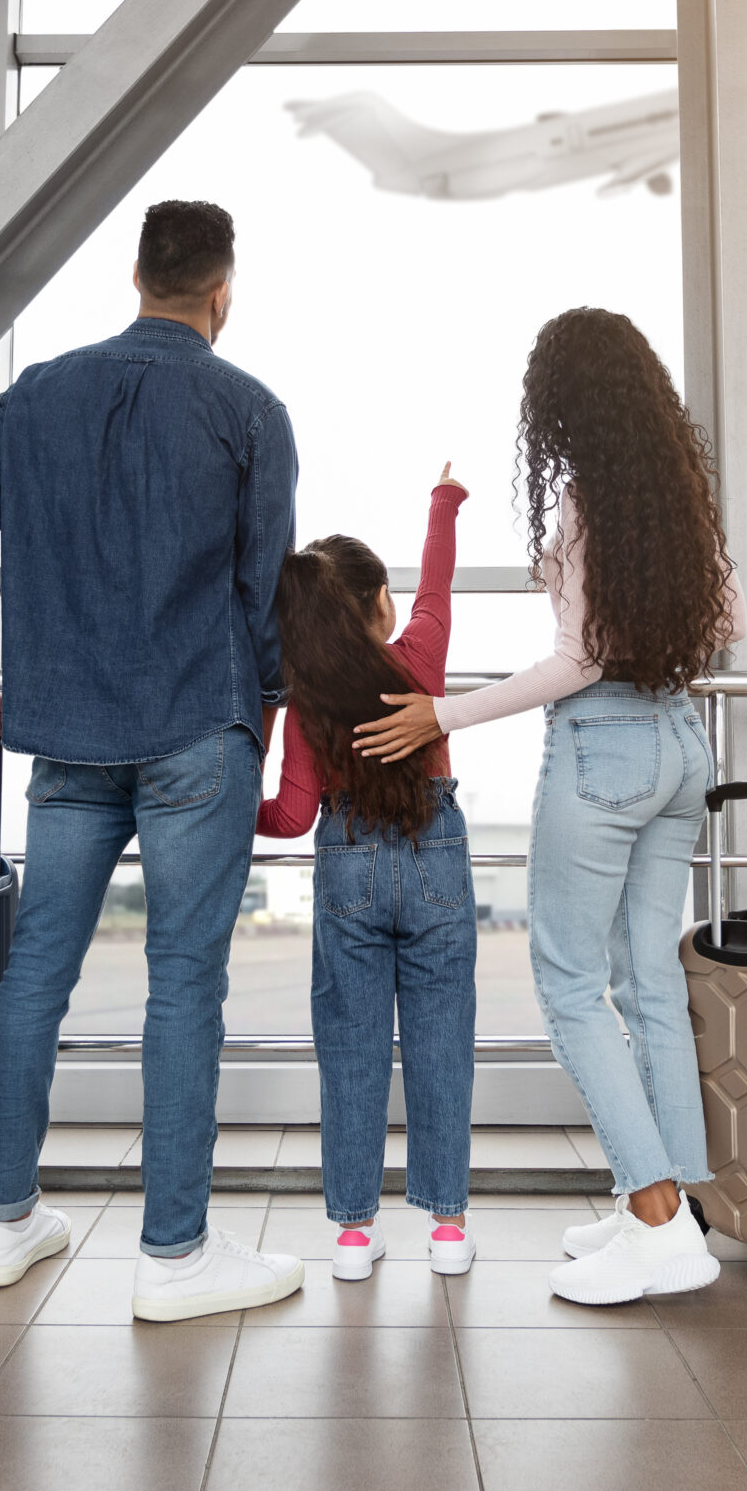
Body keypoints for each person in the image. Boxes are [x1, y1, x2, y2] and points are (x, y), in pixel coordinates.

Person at [0, 199, 306, 1322]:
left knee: (37, 972)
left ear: (135, 273)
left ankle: (2, 1224)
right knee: (183, 982)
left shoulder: (38, 391)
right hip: (198, 721)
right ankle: (173, 1256)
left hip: (67, 728)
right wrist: (264, 713)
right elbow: (262, 589)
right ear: (221, 292)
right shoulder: (249, 409)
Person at [356, 308, 745, 1306]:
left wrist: (443, 712)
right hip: (678, 739)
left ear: (563, 408)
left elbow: (576, 661)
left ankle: (658, 1225)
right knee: (647, 980)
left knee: (570, 982)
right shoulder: (680, 505)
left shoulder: (582, 505)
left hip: (603, 749)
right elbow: (728, 623)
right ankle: (660, 1205)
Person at [259, 467, 478, 1282]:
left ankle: (354, 1235)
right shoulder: (418, 654)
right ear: (381, 600)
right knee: (440, 1044)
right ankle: (448, 1229)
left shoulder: (309, 701)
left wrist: (228, 806)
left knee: (350, 1050)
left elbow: (286, 817)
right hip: (434, 862)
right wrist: (443, 502)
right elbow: (439, 582)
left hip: (347, 868)